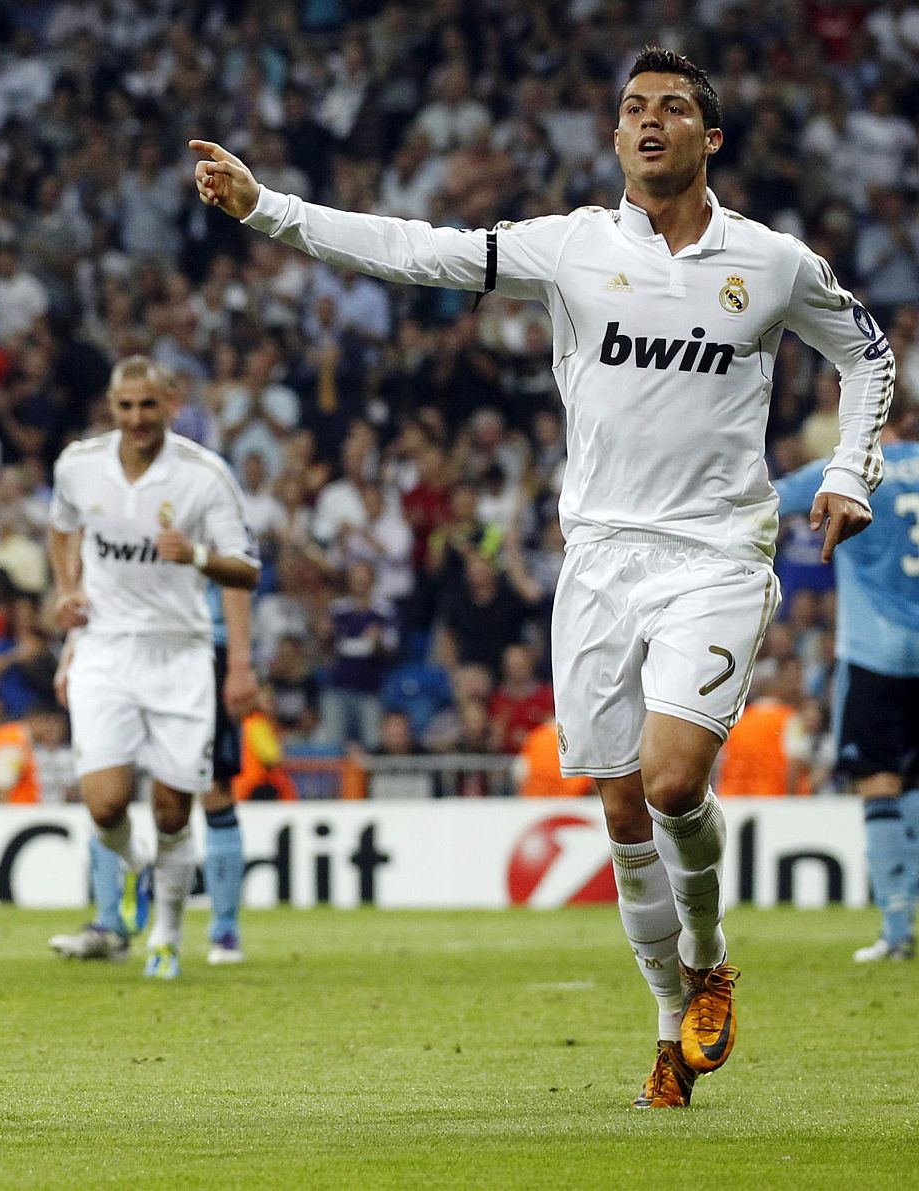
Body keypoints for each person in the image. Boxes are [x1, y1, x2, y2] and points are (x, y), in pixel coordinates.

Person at [193, 44, 891, 1107]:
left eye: (670, 108)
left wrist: (849, 470)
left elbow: (868, 355)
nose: (648, 121)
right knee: (619, 812)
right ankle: (669, 1019)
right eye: (631, 109)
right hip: (600, 558)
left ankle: (708, 966)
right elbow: (416, 252)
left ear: (712, 137)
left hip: (714, 555)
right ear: (614, 136)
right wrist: (266, 209)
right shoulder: (567, 249)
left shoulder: (774, 263)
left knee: (669, 781)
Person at [47, 355, 259, 979]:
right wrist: (67, 589)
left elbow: (246, 569)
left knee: (173, 809)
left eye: (148, 405)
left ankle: (167, 931)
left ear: (171, 402)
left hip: (180, 653)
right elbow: (62, 529)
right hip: (106, 649)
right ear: (111, 409)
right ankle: (140, 866)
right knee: (105, 805)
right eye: (125, 407)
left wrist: (195, 555)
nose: (137, 418)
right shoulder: (78, 465)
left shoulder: (203, 477)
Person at [50, 580, 258, 965]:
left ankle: (224, 932)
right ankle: (110, 926)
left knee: (213, 789)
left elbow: (236, 572)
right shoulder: (109, 520)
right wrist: (72, 650)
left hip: (198, 647)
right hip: (117, 649)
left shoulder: (209, 520)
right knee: (106, 788)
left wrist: (239, 662)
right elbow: (98, 577)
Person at [776, 416, 919, 962]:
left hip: (874, 651)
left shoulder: (855, 467)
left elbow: (772, 496)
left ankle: (897, 931)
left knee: (879, 783)